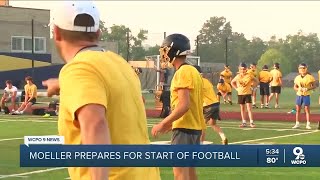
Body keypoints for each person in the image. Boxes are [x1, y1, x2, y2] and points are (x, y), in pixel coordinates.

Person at [43, 1, 160, 180]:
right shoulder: (119, 63)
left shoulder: (78, 70)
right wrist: (62, 83)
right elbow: (103, 84)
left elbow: (95, 124)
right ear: (98, 33)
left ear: (56, 32)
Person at [151, 33, 205, 180]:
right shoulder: (193, 70)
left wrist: (163, 123)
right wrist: (172, 123)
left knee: (180, 174)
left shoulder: (183, 72)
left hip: (185, 129)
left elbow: (184, 105)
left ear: (173, 50)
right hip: (194, 128)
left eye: (165, 50)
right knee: (190, 173)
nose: (164, 54)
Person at [194, 65, 228, 145]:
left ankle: (200, 144)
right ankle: (223, 137)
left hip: (208, 105)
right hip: (216, 104)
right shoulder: (206, 80)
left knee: (201, 125)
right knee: (212, 123)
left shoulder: (197, 82)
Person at [231, 63, 258, 128]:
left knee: (249, 108)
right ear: (239, 69)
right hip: (240, 94)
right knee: (242, 108)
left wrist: (252, 87)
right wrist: (236, 89)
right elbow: (232, 82)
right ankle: (244, 122)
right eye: (241, 69)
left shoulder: (249, 75)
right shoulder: (238, 76)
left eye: (244, 69)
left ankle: (251, 122)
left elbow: (256, 81)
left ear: (246, 69)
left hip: (248, 93)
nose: (243, 70)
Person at [292, 63, 316, 129]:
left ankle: (308, 124)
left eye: (303, 68)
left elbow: (314, 86)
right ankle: (297, 123)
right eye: (300, 68)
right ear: (298, 69)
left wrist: (307, 88)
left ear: (306, 69)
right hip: (299, 95)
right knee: (298, 110)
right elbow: (294, 87)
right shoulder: (297, 77)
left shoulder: (310, 77)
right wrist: (298, 89)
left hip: (306, 95)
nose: (302, 69)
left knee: (307, 110)